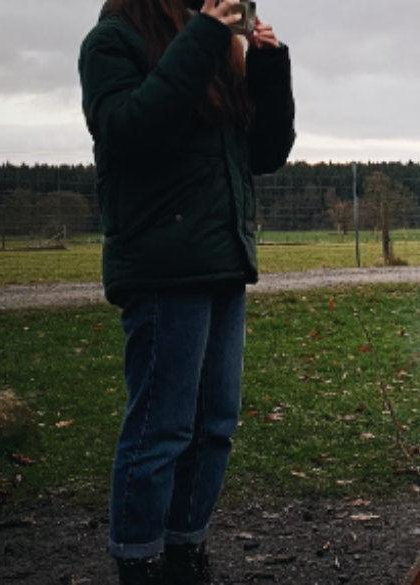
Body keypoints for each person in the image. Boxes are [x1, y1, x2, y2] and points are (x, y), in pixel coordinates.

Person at [78, 0, 295, 583]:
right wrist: (204, 36)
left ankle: (185, 551)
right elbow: (130, 131)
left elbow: (264, 154)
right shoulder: (113, 41)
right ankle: (139, 561)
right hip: (160, 266)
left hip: (221, 260)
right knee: (161, 429)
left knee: (214, 426)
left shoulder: (215, 50)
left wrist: (267, 67)